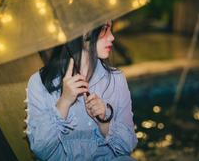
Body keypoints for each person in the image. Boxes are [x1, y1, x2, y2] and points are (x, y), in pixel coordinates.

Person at [25, 20, 138, 160]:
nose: (112, 37)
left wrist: (105, 122)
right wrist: (64, 102)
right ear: (83, 32)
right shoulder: (39, 82)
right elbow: (41, 151)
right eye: (104, 29)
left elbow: (128, 146)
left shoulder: (116, 79)